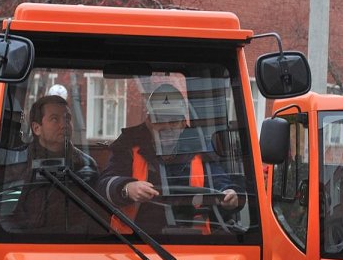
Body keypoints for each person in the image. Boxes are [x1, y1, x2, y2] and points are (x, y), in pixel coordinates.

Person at [98, 83, 243, 234]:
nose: (167, 127)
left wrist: (230, 195)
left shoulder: (200, 147)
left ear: (182, 124)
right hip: (134, 243)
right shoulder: (127, 146)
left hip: (194, 244)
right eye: (160, 120)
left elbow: (220, 183)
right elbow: (103, 185)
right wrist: (127, 188)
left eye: (173, 121)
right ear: (149, 122)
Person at [5, 94, 99, 232]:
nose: (64, 125)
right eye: (55, 119)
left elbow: (94, 217)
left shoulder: (86, 164)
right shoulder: (18, 162)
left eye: (67, 119)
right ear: (37, 128)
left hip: (74, 243)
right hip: (25, 244)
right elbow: (5, 214)